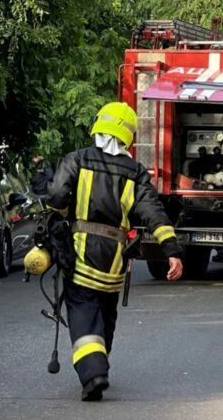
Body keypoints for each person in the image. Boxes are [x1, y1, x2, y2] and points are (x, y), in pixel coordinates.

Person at [46, 101, 184, 401]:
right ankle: (97, 365)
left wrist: (60, 211)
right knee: (106, 315)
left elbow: (56, 196)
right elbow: (152, 211)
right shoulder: (135, 172)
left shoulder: (76, 159)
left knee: (83, 313)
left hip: (80, 257)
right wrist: (171, 250)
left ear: (98, 127)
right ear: (128, 136)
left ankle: (94, 372)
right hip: (114, 262)